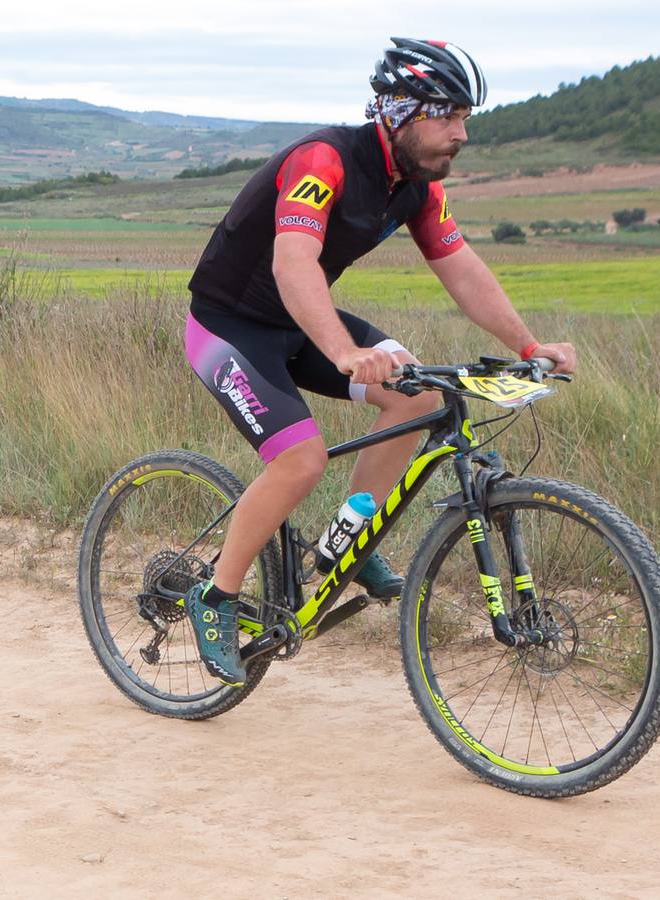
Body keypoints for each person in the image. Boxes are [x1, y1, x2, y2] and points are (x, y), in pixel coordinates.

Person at [162, 38, 579, 685]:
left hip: (298, 321)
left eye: (466, 117)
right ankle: (214, 597)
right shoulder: (324, 161)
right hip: (229, 327)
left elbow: (462, 271)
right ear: (400, 112)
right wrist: (344, 352)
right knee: (298, 460)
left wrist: (530, 348)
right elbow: (292, 262)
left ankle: (343, 546)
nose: (461, 133)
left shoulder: (416, 187)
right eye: (448, 115)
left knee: (418, 395)